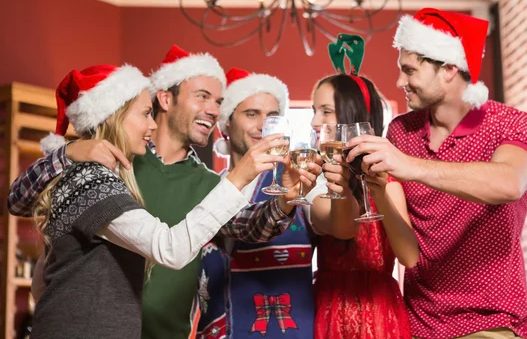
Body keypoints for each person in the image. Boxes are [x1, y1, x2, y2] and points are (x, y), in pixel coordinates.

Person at [8, 45, 319, 339]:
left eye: (219, 102)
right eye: (203, 96)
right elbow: (20, 201)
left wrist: (285, 198)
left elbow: (250, 226)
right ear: (165, 100)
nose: (213, 110)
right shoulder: (108, 166)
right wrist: (70, 151)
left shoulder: (206, 182)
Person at [346, 9, 527, 338]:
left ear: (449, 69)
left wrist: (411, 167)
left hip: (491, 322)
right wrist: (379, 189)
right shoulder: (401, 132)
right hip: (420, 323)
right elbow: (407, 253)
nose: (399, 82)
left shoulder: (509, 123)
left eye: (409, 71)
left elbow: (509, 183)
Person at [192, 67, 320, 339]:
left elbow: (335, 225)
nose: (264, 125)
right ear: (226, 123)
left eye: (273, 117)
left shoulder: (301, 181)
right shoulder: (207, 188)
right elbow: (247, 225)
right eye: (251, 114)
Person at [307, 34, 418, 339]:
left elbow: (409, 258)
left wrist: (380, 191)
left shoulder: (388, 179)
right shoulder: (316, 176)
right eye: (314, 111)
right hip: (330, 309)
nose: (316, 121)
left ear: (352, 117)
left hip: (380, 314)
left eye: (326, 111)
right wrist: (340, 181)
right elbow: (343, 228)